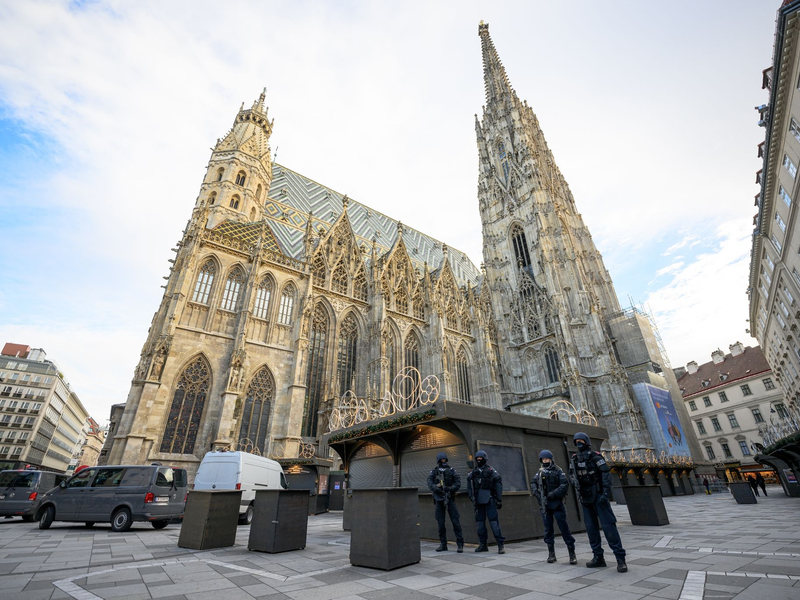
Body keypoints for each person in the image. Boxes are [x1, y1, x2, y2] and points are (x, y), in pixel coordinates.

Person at [570, 432, 627, 573]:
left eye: (581, 441)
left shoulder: (595, 456)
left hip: (598, 496)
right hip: (585, 497)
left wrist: (606, 493)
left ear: (586, 442)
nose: (578, 443)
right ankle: (598, 557)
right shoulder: (575, 459)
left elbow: (606, 475)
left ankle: (620, 559)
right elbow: (572, 475)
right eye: (576, 441)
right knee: (591, 529)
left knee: (609, 528)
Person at [531, 449, 577, 565]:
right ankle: (551, 554)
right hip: (545, 505)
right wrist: (536, 493)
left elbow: (564, 484)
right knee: (548, 530)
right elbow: (533, 482)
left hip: (556, 504)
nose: (545, 461)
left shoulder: (558, 471)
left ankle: (572, 553)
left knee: (564, 528)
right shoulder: (540, 472)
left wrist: (554, 494)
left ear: (551, 459)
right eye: (543, 459)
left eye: (547, 459)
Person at [466, 450, 505, 554]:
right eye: (477, 458)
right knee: (480, 524)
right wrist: (471, 497)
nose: (479, 459)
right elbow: (469, 485)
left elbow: (498, 483)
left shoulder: (491, 470)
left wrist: (499, 499)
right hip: (478, 501)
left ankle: (500, 545)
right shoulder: (473, 472)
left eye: (481, 458)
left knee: (494, 523)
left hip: (489, 499)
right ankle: (483, 545)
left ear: (485, 459)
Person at [426, 452, 464, 553]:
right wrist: (437, 489)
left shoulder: (451, 470)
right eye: (441, 460)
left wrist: (449, 489)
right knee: (440, 523)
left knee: (456, 521)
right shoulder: (434, 471)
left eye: (444, 460)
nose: (443, 461)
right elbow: (429, 482)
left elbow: (458, 482)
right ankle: (443, 544)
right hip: (439, 499)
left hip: (449, 498)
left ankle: (460, 544)